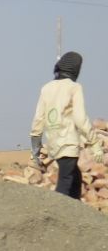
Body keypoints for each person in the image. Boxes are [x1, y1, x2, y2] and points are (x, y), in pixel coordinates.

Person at [30, 51, 99, 199]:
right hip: (68, 142)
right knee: (65, 181)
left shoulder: (46, 88)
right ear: (76, 69)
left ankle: (76, 212)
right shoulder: (74, 87)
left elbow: (38, 120)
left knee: (75, 178)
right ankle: (57, 215)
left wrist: (35, 148)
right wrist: (95, 143)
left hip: (54, 143)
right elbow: (80, 119)